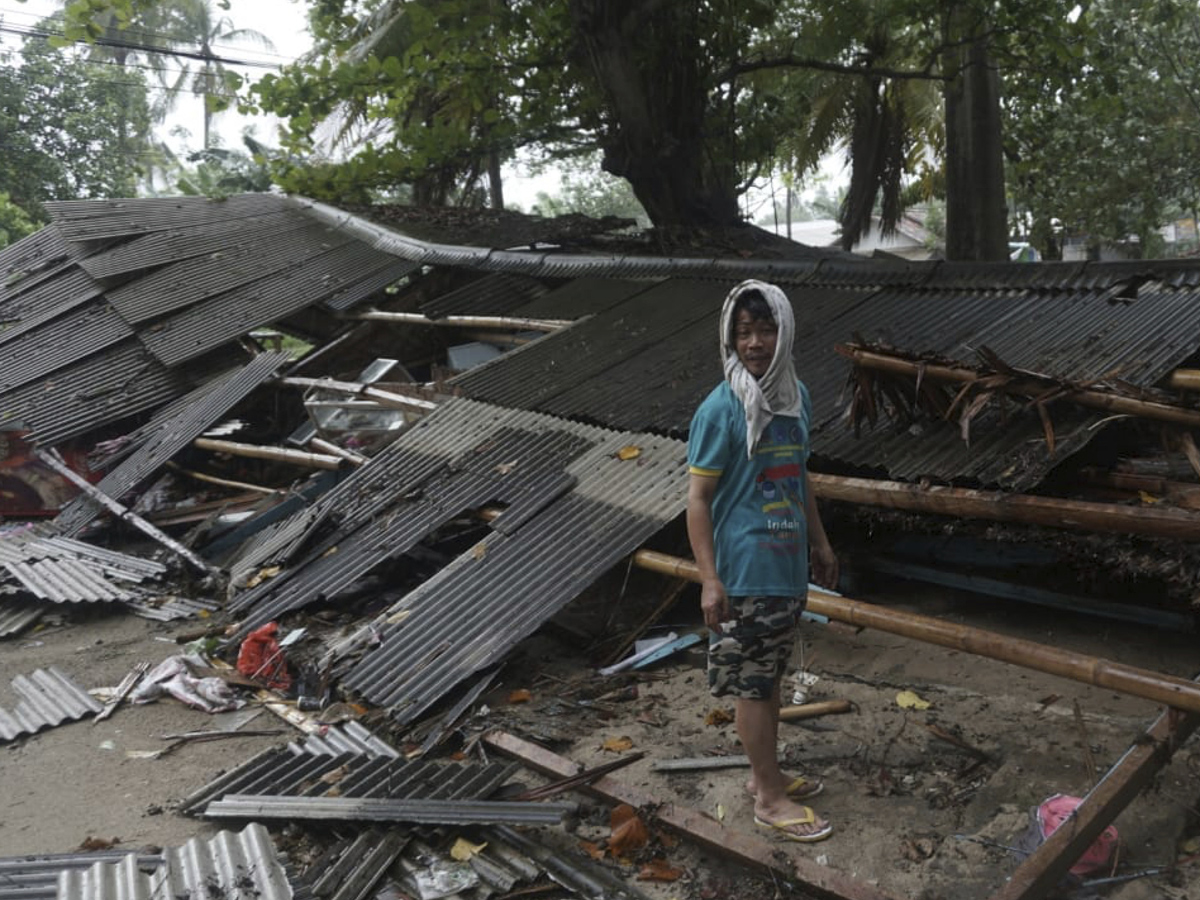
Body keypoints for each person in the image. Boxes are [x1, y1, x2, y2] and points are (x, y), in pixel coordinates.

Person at [686, 279, 839, 843]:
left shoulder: (794, 397)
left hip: (785, 565)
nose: (754, 343)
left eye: (765, 329)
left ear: (785, 330)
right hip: (745, 569)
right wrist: (709, 579)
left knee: (769, 675)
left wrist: (818, 544)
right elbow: (697, 501)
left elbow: (799, 477)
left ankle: (762, 778)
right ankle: (770, 800)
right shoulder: (719, 409)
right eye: (743, 332)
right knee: (753, 685)